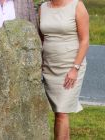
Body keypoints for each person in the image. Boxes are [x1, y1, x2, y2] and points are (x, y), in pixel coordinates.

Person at [39, 0, 89, 139]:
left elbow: (85, 40)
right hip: (48, 67)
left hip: (70, 67)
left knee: (62, 111)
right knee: (58, 112)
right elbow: (42, 39)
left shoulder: (77, 5)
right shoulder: (43, 7)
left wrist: (75, 68)